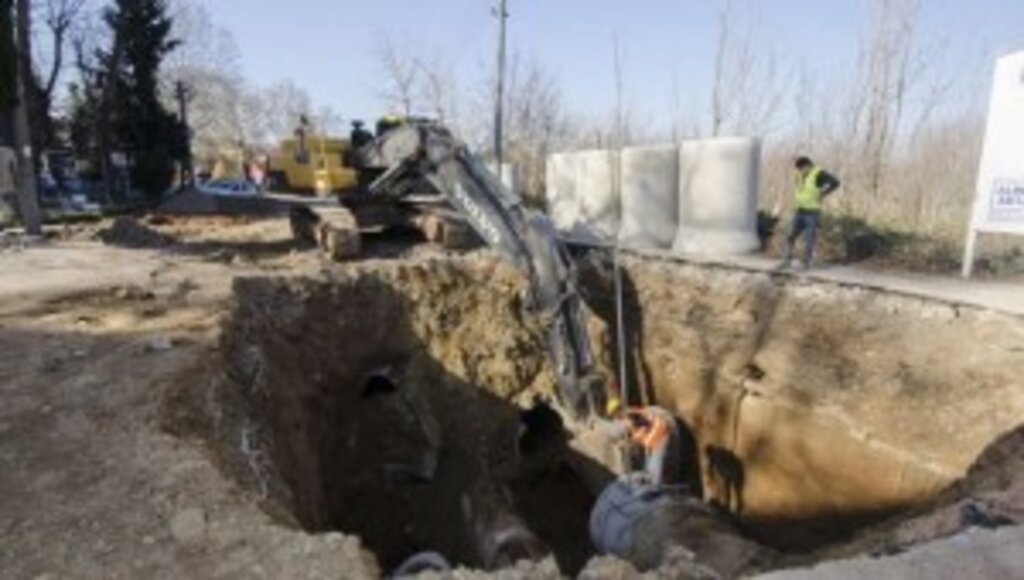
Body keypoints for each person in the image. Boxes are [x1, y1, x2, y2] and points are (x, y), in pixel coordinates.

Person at [603, 398, 684, 487]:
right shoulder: (632, 415)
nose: (617, 418)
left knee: (656, 481)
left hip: (660, 437)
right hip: (660, 435)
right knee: (652, 475)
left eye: (616, 414)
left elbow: (617, 431)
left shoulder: (628, 417)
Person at [779, 156, 841, 270]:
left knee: (809, 238)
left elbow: (835, 182)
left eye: (801, 168)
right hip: (799, 210)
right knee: (790, 235)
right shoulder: (799, 175)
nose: (799, 171)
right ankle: (785, 260)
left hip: (812, 212)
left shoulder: (818, 173)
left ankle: (805, 263)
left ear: (808, 165)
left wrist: (824, 192)